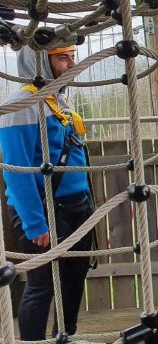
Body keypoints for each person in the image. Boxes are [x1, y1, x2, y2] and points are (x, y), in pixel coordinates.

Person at [0, 45, 93, 340]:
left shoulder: (59, 101)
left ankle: (65, 335)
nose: (71, 64)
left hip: (77, 206)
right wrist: (35, 223)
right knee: (42, 285)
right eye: (62, 57)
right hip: (46, 209)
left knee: (74, 279)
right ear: (41, 61)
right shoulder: (21, 106)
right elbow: (16, 171)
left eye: (72, 56)